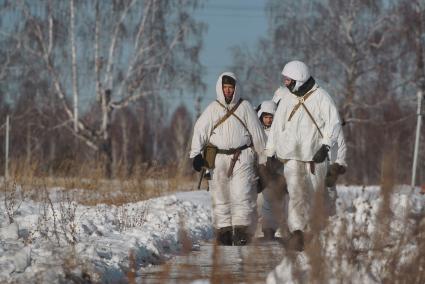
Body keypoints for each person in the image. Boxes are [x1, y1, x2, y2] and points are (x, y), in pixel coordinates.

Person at [266, 60, 342, 251]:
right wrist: (270, 152)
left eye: (288, 79)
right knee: (297, 196)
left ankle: (313, 232)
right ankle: (298, 233)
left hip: (315, 158)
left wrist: (325, 146)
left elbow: (334, 123)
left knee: (314, 196)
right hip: (292, 158)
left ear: (299, 79)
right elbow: (276, 128)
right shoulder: (288, 99)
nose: (285, 83)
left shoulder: (321, 97)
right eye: (284, 79)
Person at [190, 72, 267, 246]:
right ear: (220, 88)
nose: (227, 91)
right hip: (218, 158)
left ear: (236, 88)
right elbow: (200, 131)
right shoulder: (212, 109)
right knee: (220, 195)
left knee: (242, 194)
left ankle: (241, 232)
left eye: (230, 88)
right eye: (225, 88)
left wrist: (263, 161)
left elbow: (258, 133)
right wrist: (195, 154)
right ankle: (223, 232)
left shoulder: (245, 107)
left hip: (243, 156)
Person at [256, 101, 287, 240]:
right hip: (259, 169)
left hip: (276, 170)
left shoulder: (280, 132)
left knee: (271, 199)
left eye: (271, 117)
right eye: (266, 116)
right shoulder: (257, 131)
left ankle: (269, 228)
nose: (268, 119)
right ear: (261, 116)